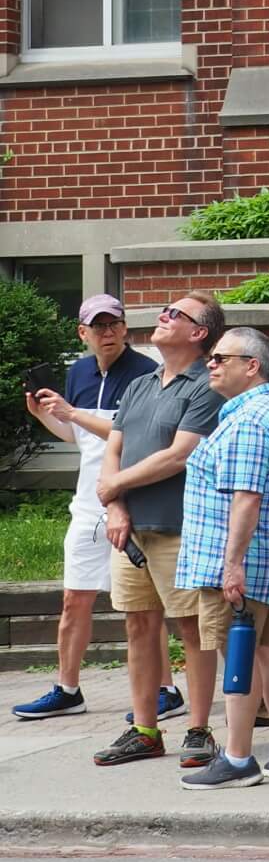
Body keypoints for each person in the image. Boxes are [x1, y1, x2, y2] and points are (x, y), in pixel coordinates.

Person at [57, 293, 223, 770]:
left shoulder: (205, 387)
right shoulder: (142, 383)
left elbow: (179, 454)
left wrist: (112, 487)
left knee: (192, 631)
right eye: (165, 310)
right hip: (131, 530)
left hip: (181, 528)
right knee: (138, 626)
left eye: (177, 314)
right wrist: (116, 506)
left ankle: (199, 729)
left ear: (198, 333)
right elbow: (116, 446)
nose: (163, 316)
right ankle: (146, 730)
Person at [13, 295, 158, 723]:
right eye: (98, 326)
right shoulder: (78, 371)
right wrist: (46, 417)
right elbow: (82, 439)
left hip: (130, 501)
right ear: (83, 333)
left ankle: (165, 691)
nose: (107, 332)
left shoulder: (147, 374)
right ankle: (67, 688)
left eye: (114, 324)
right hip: (86, 503)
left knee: (141, 609)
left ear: (126, 328)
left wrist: (72, 412)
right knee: (74, 598)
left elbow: (135, 435)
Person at [177, 328, 269, 790]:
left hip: (243, 564)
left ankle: (236, 758)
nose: (211, 364)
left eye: (220, 358)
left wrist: (231, 565)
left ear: (252, 365)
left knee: (241, 656)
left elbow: (246, 499)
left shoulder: (249, 420)